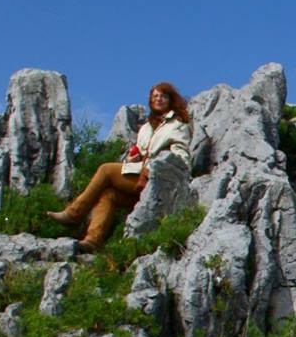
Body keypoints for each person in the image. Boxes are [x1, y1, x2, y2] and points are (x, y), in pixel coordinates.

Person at [50, 82, 194, 251]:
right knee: (108, 194)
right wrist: (134, 158)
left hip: (159, 178)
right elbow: (141, 151)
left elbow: (181, 154)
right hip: (141, 178)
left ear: (170, 99)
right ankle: (93, 241)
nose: (158, 99)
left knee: (106, 170)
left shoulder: (178, 124)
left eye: (163, 96)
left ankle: (74, 213)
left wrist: (168, 167)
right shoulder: (147, 128)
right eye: (155, 96)